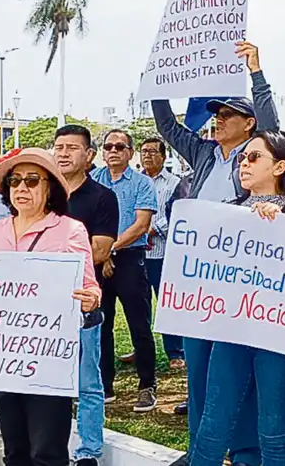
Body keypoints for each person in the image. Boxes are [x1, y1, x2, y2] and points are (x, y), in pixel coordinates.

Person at [154, 41, 278, 466]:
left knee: (238, 375)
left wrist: (257, 73)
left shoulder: (260, 155)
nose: (217, 120)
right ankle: (199, 452)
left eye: (227, 115)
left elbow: (272, 121)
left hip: (240, 279)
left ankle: (244, 453)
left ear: (249, 123)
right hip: (198, 277)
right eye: (216, 114)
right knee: (199, 369)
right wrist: (159, 80)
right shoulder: (204, 153)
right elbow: (168, 127)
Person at [190, 130, 285, 466]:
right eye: (241, 158)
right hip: (234, 331)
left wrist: (282, 227)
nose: (243, 164)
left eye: (253, 157)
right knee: (212, 426)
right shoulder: (227, 210)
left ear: (279, 166)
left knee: (274, 431)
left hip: (284, 335)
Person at [0, 148, 102, 466]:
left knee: (46, 450)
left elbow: (89, 286)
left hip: (48, 356)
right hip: (3, 354)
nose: (21, 188)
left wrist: (91, 298)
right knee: (15, 450)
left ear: (50, 187)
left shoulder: (70, 230)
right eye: (15, 181)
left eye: (32, 180)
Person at [53, 125, 119, 466]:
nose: (63, 153)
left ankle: (89, 451)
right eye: (58, 146)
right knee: (49, 385)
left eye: (72, 148)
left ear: (89, 155)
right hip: (42, 306)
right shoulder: (44, 195)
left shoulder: (103, 197)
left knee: (88, 383)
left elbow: (99, 250)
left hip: (83, 304)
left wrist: (48, 260)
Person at [90, 129, 160, 412]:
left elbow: (141, 225)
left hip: (130, 259)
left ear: (130, 152)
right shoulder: (93, 181)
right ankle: (104, 385)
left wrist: (111, 250)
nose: (114, 151)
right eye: (109, 146)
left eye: (120, 146)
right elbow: (86, 222)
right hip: (97, 261)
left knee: (139, 325)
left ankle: (147, 385)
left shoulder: (142, 183)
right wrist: (102, 255)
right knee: (100, 325)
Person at [132, 137, 184, 369]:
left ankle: (175, 352)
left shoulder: (175, 183)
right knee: (138, 305)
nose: (148, 156)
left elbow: (176, 213)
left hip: (162, 252)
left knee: (166, 302)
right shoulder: (135, 181)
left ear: (163, 156)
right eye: (144, 151)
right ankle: (139, 348)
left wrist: (152, 229)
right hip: (135, 251)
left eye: (153, 151)